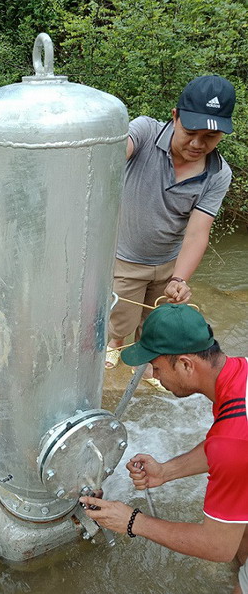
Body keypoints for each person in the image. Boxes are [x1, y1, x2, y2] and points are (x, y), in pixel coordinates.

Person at [82, 303, 248, 593]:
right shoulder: (239, 374)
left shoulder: (233, 439)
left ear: (185, 365)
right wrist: (165, 472)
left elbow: (217, 546)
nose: (154, 376)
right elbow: (226, 447)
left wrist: (133, 521)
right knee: (240, 528)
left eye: (156, 367)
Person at [106, 74, 236, 387]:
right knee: (119, 315)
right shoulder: (145, 131)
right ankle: (112, 346)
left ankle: (149, 363)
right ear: (175, 116)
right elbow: (109, 155)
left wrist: (180, 278)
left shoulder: (217, 173)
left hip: (168, 261)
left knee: (155, 319)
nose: (198, 143)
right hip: (124, 257)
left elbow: (196, 232)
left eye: (211, 136)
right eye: (191, 131)